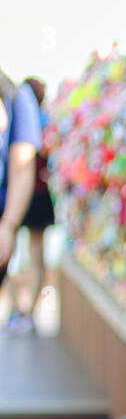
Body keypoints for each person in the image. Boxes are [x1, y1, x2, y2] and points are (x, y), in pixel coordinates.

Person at [0, 76, 52, 332]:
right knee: (34, 254)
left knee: (31, 254)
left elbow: (23, 165)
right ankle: (21, 310)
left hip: (30, 199)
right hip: (35, 199)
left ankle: (23, 310)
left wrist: (7, 225)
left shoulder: (16, 100)